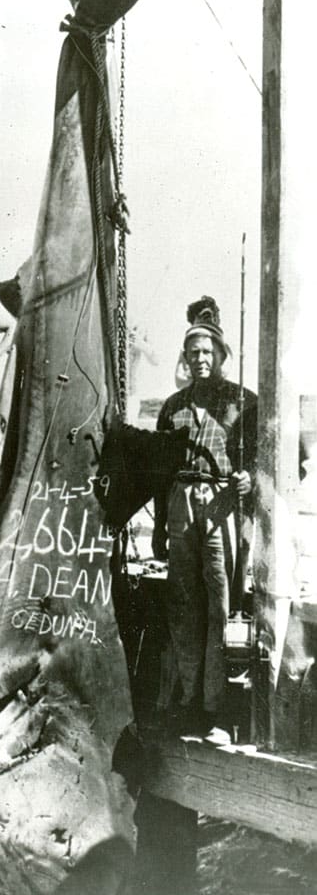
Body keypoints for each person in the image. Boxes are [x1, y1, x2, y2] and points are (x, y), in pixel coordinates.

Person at [152, 296, 257, 741]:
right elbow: (158, 472)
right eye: (192, 352)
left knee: (220, 605)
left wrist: (250, 478)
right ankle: (187, 702)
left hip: (220, 504)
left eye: (207, 352)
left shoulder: (241, 403)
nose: (199, 359)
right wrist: (159, 526)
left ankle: (216, 710)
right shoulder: (172, 407)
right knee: (182, 606)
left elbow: (274, 458)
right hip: (180, 502)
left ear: (221, 357)